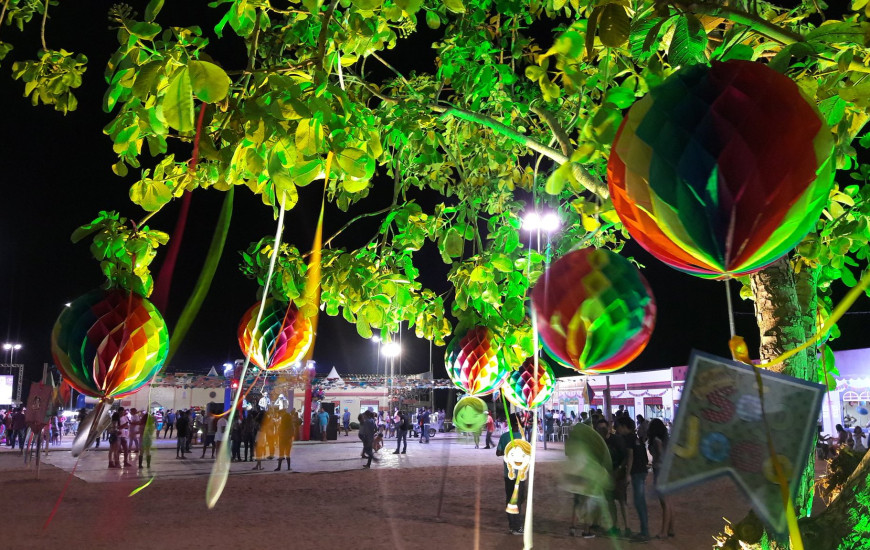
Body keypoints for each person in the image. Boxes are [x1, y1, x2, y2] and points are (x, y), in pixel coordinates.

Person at [616, 415, 650, 542]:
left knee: (639, 502)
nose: (617, 429)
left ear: (625, 427)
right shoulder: (635, 438)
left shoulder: (629, 439)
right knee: (639, 501)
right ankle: (644, 531)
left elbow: (630, 456)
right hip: (641, 471)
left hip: (637, 472)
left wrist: (627, 474)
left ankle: (644, 532)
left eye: (618, 427)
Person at [597, 417, 629, 537]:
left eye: (604, 428)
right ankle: (614, 526)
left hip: (619, 475)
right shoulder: (599, 442)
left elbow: (626, 457)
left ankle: (627, 528)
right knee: (610, 502)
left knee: (622, 501)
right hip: (606, 476)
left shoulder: (617, 440)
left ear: (608, 428)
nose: (602, 430)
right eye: (599, 428)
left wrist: (620, 470)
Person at [497, 413, 526, 535]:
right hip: (519, 473)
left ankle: (512, 525)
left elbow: (498, 452)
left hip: (509, 474)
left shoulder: (505, 437)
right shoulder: (522, 437)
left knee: (511, 498)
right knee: (518, 499)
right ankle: (516, 526)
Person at [647, 418, 674, 539]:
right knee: (667, 501)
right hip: (666, 470)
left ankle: (664, 532)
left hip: (660, 470)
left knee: (665, 502)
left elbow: (660, 456)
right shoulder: (665, 438)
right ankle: (671, 528)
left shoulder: (657, 441)